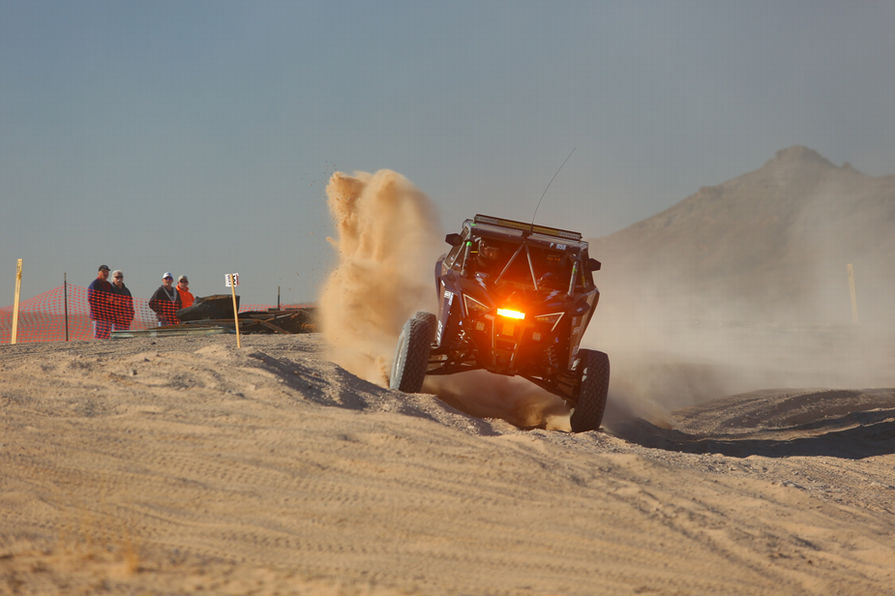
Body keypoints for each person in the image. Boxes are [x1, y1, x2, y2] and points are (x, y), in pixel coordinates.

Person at [87, 264, 114, 339]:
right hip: (98, 316)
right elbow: (91, 299)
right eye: (103, 271)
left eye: (107, 272)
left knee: (107, 337)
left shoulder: (108, 285)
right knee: (99, 338)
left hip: (108, 316)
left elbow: (112, 298)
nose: (105, 274)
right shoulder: (95, 284)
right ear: (99, 272)